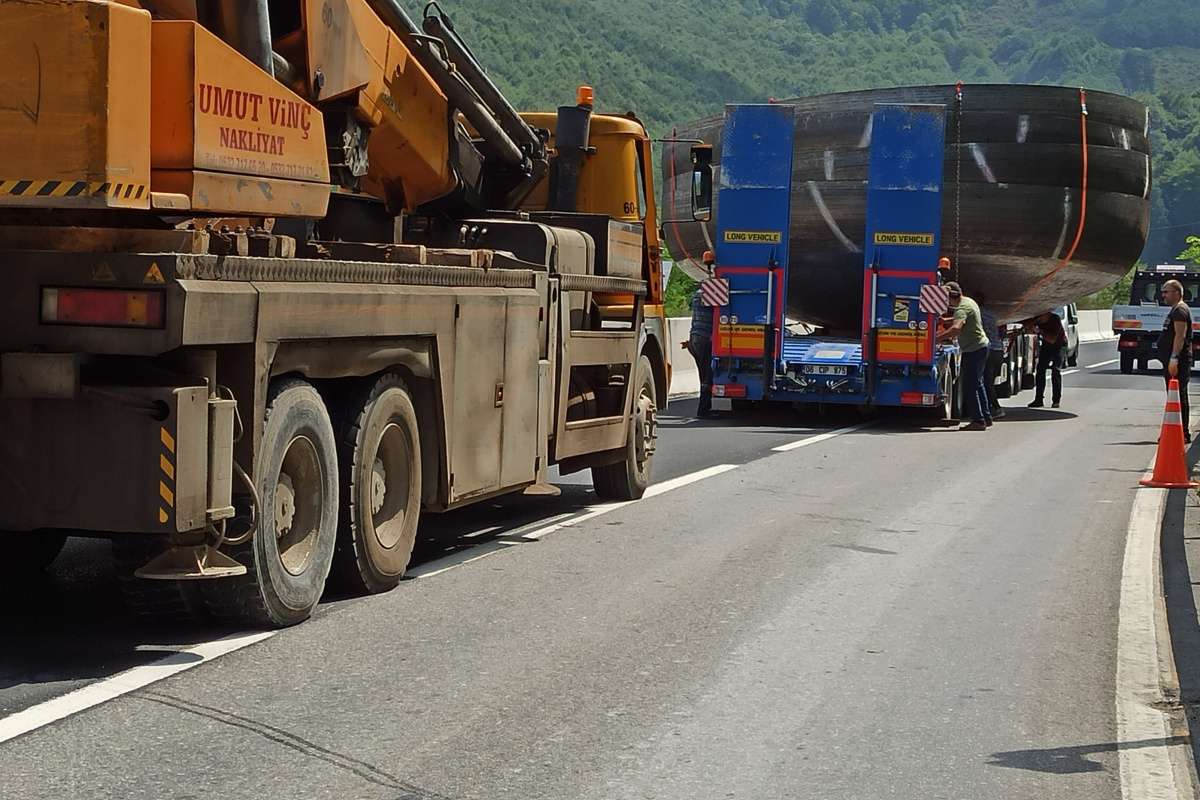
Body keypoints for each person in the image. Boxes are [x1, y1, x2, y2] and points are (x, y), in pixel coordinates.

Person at [936, 281, 991, 430]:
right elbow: (963, 318)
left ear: (950, 297)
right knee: (978, 384)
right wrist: (946, 320)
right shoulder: (969, 301)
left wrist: (936, 339)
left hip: (974, 350)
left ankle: (978, 421)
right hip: (981, 346)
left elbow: (956, 329)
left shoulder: (961, 308)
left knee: (970, 386)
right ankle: (986, 416)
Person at [1158, 278, 1193, 443]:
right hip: (1173, 359)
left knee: (1178, 396)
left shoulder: (1180, 311)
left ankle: (1182, 433)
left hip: (1178, 361)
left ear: (1177, 293)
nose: (1163, 295)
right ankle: (1176, 432)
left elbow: (1180, 336)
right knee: (1174, 396)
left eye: (1166, 292)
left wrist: (1174, 358)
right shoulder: (1175, 310)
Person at [685, 279, 715, 418]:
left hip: (694, 339)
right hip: (705, 339)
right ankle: (703, 411)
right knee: (707, 376)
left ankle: (704, 409)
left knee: (703, 375)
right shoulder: (711, 297)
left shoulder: (697, 296)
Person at [1027, 310, 1067, 408]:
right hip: (1046, 345)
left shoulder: (1055, 319)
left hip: (1059, 345)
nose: (1039, 318)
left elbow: (1052, 339)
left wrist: (1040, 331)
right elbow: (1028, 326)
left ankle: (1056, 400)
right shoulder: (1039, 320)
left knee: (1055, 370)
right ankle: (1038, 399)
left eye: (1041, 317)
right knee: (1040, 369)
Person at [977, 293, 1007, 419]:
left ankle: (996, 408)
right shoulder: (992, 314)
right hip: (998, 350)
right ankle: (991, 407)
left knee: (985, 382)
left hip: (989, 350)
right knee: (989, 382)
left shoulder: (977, 313)